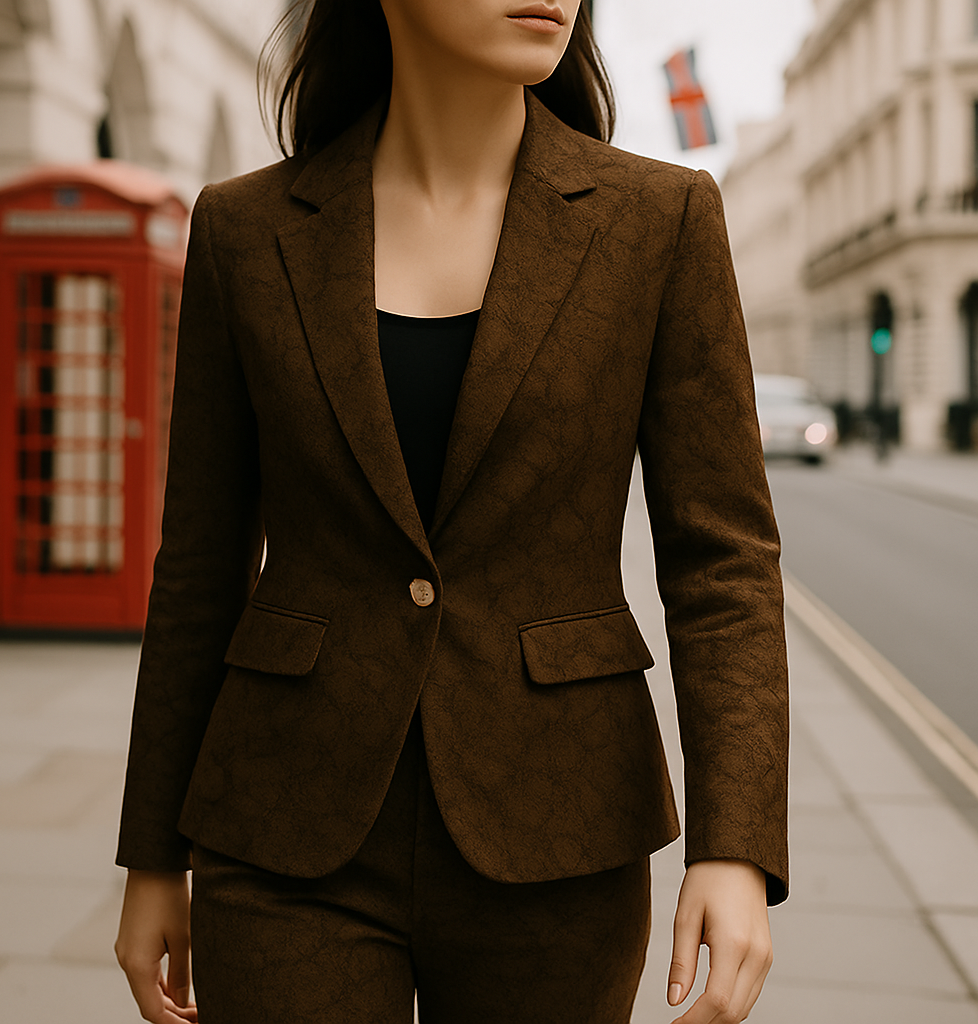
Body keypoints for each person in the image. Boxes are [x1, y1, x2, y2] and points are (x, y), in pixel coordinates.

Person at [114, 1, 790, 1022]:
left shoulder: (659, 222)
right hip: (286, 824)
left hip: (558, 826)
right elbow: (200, 565)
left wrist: (735, 844)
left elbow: (721, 562)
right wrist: (153, 852)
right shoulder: (245, 233)